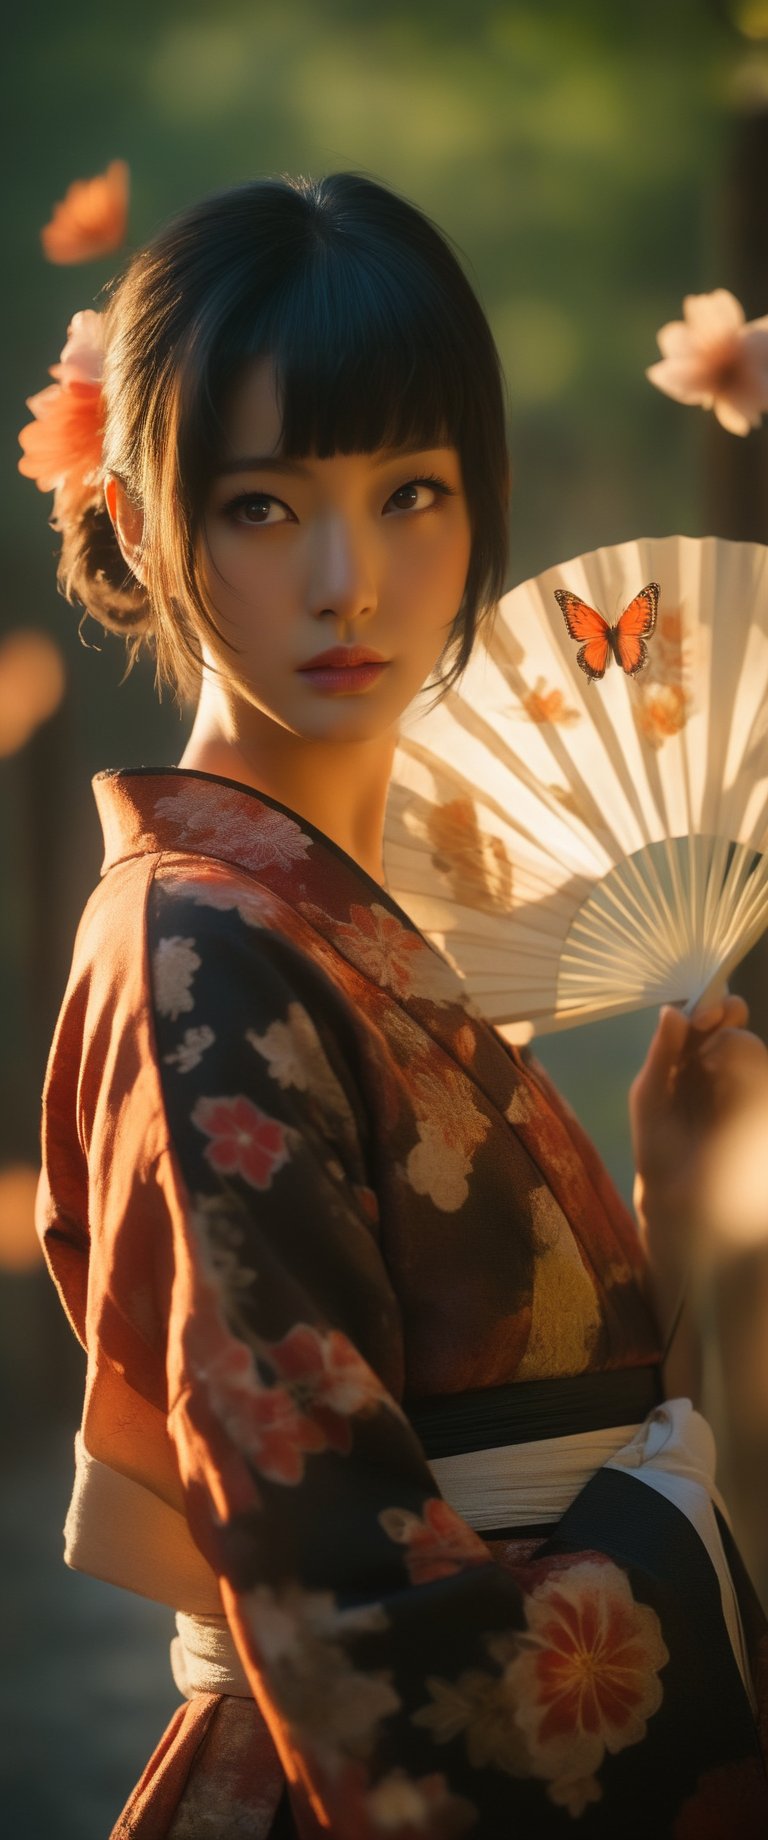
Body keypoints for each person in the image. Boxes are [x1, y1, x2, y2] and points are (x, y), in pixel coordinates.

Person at [21, 173, 768, 1839]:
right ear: (144, 524)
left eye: (412, 490)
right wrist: (713, 1493)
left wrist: (669, 1214)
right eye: (265, 507)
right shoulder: (202, 952)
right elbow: (366, 1638)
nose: (352, 581)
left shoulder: (323, 926)